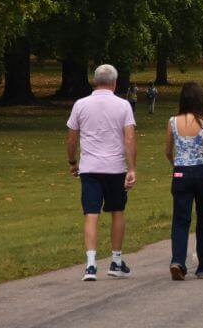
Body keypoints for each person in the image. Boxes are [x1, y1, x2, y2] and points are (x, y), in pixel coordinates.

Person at [66, 64, 137, 282]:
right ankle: (116, 260)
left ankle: (90, 263)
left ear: (94, 81)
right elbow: (129, 138)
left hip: (90, 168)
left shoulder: (80, 105)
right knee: (117, 211)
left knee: (91, 213)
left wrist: (72, 161)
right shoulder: (123, 105)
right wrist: (131, 167)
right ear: (115, 83)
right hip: (115, 167)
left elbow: (71, 138)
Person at [165, 82, 203, 279]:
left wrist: (177, 164)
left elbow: (168, 151)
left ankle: (178, 260)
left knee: (180, 219)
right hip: (202, 171)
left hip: (181, 172)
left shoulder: (172, 122)